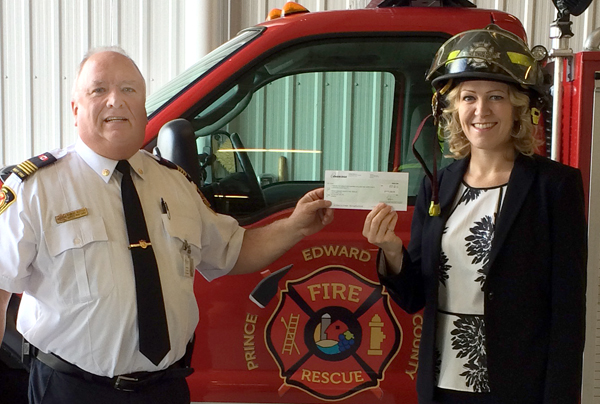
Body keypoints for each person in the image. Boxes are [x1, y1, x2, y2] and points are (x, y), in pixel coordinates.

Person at [0, 46, 333, 404]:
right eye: (99, 90)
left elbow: (233, 252)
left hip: (165, 389)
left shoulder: (177, 184)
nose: (116, 101)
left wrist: (296, 225)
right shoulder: (34, 189)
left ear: (143, 106)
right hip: (71, 390)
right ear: (75, 108)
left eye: (129, 90)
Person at [362, 25, 587, 404]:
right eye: (468, 97)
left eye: (496, 96)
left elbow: (567, 313)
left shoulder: (555, 187)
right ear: (453, 109)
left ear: (518, 107)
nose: (481, 111)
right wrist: (392, 251)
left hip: (519, 386)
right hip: (443, 381)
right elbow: (415, 297)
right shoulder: (437, 185)